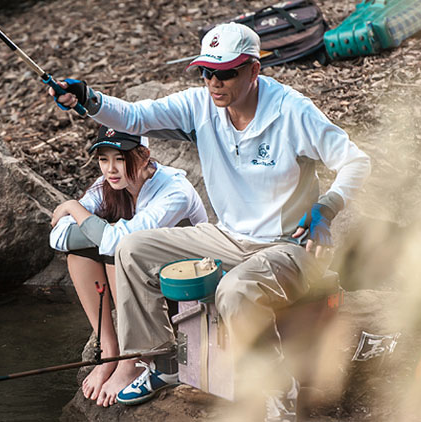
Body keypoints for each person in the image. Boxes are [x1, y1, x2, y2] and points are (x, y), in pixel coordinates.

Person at [50, 22, 371, 420]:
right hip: (227, 236)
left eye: (226, 72)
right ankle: (161, 364)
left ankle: (277, 391)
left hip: (288, 245)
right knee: (132, 248)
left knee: (234, 292)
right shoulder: (201, 105)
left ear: (254, 70)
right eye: (207, 72)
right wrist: (88, 99)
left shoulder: (292, 111)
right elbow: (134, 117)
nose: (214, 82)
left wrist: (327, 207)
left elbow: (356, 161)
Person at [49, 125, 207, 407]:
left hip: (183, 293)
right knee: (80, 255)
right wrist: (98, 227)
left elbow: (120, 242)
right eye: (103, 158)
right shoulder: (107, 185)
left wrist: (74, 207)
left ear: (144, 155)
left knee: (120, 250)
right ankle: (111, 349)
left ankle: (132, 360)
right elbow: (58, 237)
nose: (111, 169)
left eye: (120, 159)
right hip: (142, 285)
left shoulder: (174, 192)